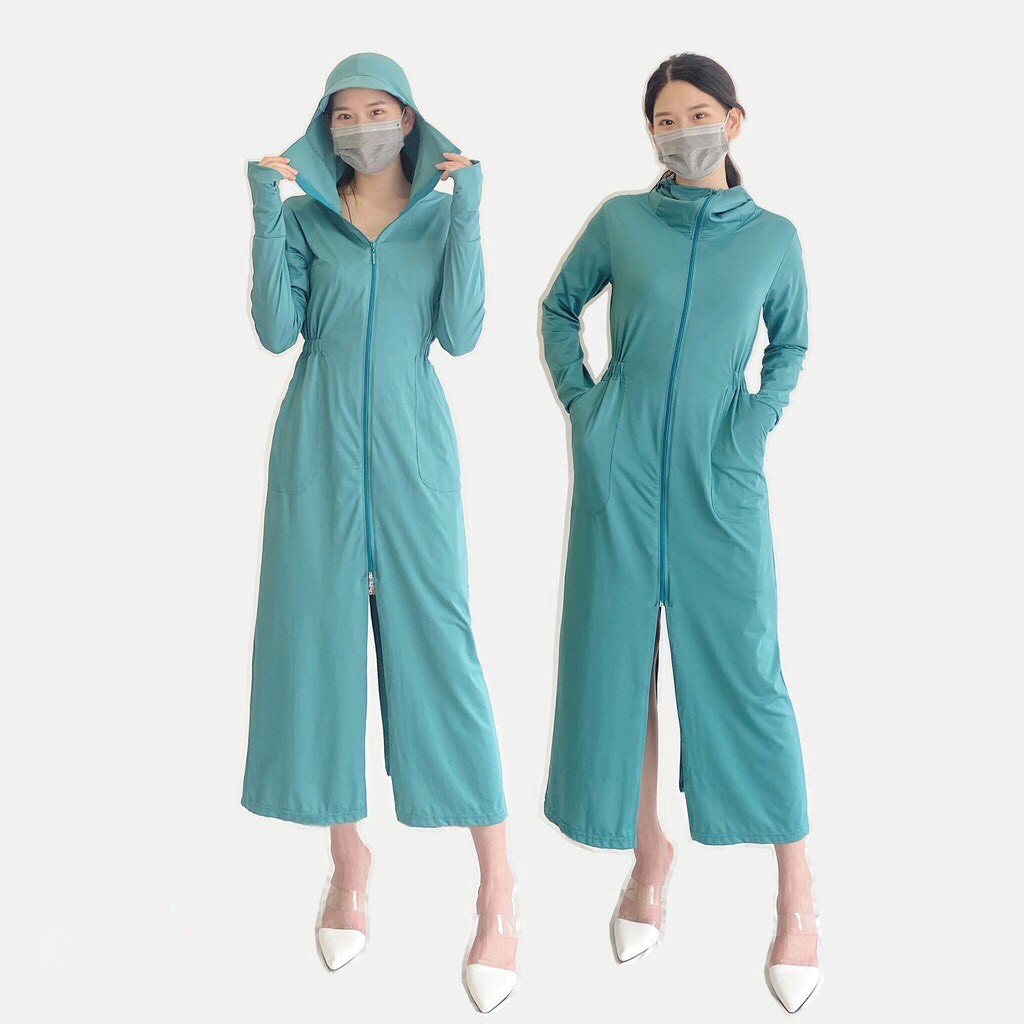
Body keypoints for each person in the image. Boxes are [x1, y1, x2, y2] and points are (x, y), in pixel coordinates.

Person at [540, 52, 821, 1012]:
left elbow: (792, 341)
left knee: (746, 671)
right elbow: (557, 308)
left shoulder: (774, 239)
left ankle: (797, 892)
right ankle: (648, 855)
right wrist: (589, 408)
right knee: (620, 661)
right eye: (664, 120)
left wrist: (751, 424)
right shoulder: (622, 222)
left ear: (734, 122)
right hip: (619, 474)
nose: (681, 132)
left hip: (719, 477)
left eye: (698, 114)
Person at [243, 52, 516, 1013]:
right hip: (316, 452)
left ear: (407, 118)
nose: (359, 127)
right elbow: (277, 332)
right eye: (342, 113)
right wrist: (265, 214)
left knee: (441, 651)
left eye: (376, 110)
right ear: (325, 126)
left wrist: (470, 215)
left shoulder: (439, 219)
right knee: (319, 650)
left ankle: (498, 888)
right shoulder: (308, 219)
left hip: (411, 455)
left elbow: (464, 334)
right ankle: (349, 862)